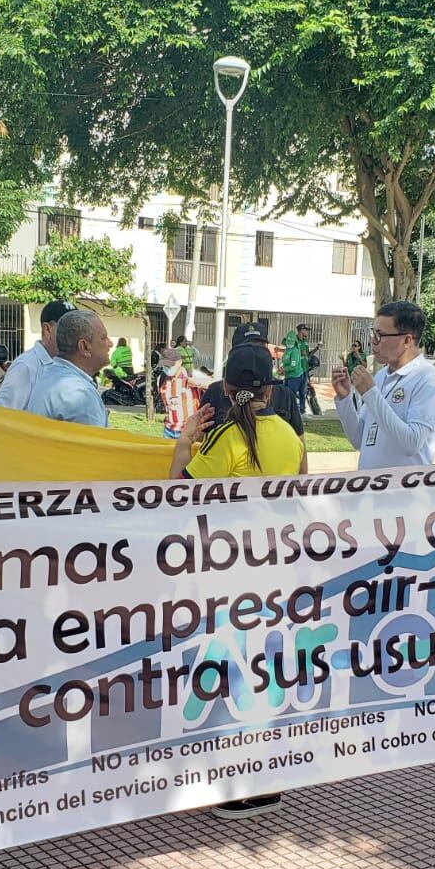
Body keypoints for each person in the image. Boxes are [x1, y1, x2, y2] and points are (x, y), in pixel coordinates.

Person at [171, 340, 306, 819]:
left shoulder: (224, 440)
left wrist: (185, 442)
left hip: (229, 574)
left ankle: (233, 782)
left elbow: (176, 496)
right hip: (276, 572)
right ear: (270, 389)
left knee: (230, 670)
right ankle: (268, 780)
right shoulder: (292, 438)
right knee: (268, 669)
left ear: (226, 389)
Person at [331, 301, 435, 469]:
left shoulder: (427, 378)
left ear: (406, 340)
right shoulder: (381, 376)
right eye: (373, 334)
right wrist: (345, 398)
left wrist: (370, 393)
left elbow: (411, 444)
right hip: (370, 490)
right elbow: (359, 440)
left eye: (380, 335)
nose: (373, 342)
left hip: (402, 491)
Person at [200, 322, 305, 438]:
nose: (253, 353)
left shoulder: (284, 394)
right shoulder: (215, 391)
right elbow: (201, 437)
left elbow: (300, 443)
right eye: (247, 347)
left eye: (260, 347)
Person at [25, 309, 113, 427]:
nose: (110, 344)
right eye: (103, 338)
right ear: (84, 347)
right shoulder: (79, 393)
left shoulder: (49, 375)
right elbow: (97, 444)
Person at [0, 299, 73, 411]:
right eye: (67, 328)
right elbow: (1, 415)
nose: (74, 335)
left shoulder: (67, 365)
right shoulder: (26, 367)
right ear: (47, 329)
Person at [159, 347, 202, 439]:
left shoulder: (189, 378)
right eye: (165, 365)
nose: (167, 368)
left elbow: (212, 385)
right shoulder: (162, 379)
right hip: (168, 430)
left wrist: (198, 382)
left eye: (170, 365)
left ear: (179, 362)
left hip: (187, 430)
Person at [280, 323, 313, 413]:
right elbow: (286, 346)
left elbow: (308, 354)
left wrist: (317, 348)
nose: (307, 332)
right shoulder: (293, 340)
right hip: (294, 371)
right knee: (291, 392)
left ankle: (302, 410)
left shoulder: (305, 341)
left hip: (304, 369)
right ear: (301, 330)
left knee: (303, 391)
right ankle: (290, 410)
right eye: (306, 330)